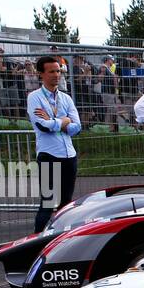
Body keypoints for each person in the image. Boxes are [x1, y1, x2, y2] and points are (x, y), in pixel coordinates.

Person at [27, 55, 82, 232]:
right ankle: (37, 242)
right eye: (51, 71)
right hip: (49, 156)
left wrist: (55, 121)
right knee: (48, 204)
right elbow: (43, 126)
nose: (56, 75)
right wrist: (64, 120)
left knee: (66, 204)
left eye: (58, 71)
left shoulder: (65, 98)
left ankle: (62, 240)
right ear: (41, 74)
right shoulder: (34, 97)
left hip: (69, 156)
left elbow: (77, 126)